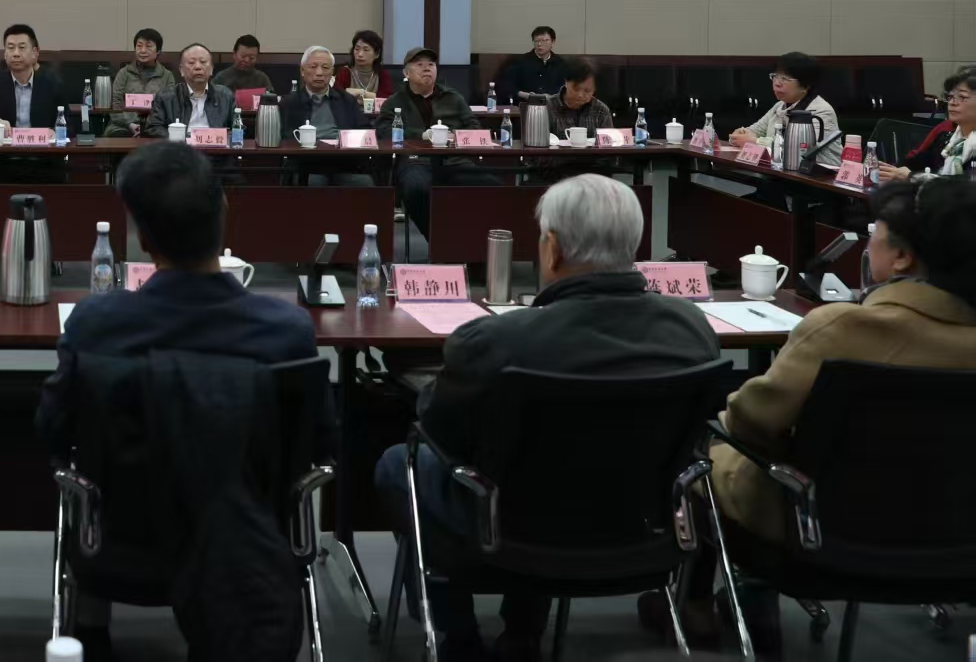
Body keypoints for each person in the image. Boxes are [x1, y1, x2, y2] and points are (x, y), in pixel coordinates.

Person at [375, 174, 719, 660]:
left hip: (510, 533)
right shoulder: (693, 330)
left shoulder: (498, 340)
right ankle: (522, 629)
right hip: (640, 528)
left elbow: (440, 432)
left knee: (401, 463)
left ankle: (458, 636)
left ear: (552, 249)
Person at [39, 141, 334, 658]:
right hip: (247, 544)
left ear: (140, 236)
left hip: (120, 539)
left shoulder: (97, 325)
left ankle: (90, 627)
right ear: (224, 215)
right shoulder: (286, 330)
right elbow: (320, 442)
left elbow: (52, 429)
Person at [701, 179, 976, 650]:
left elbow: (750, 422)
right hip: (958, 540)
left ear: (902, 257)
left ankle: (708, 608)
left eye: (875, 231)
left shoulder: (842, 328)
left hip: (818, 539)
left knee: (708, 456)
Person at [375, 47, 495, 239]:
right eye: (419, 65)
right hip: (415, 161)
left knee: (492, 186)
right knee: (416, 188)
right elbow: (383, 132)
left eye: (431, 64)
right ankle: (439, 239)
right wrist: (422, 135)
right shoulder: (394, 102)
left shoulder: (453, 98)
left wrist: (454, 136)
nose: (426, 68)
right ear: (406, 73)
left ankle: (478, 240)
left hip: (454, 160)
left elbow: (474, 126)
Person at [279, 46, 375, 187]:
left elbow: (365, 132)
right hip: (307, 166)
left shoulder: (346, 100)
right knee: (314, 183)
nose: (319, 73)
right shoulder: (289, 103)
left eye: (325, 68)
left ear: (332, 73)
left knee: (366, 183)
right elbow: (284, 138)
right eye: (313, 67)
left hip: (343, 164)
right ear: (302, 71)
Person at [727, 51, 841, 169]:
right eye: (775, 76)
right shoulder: (780, 106)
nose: (777, 83)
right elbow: (752, 131)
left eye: (785, 79)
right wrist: (739, 136)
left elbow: (802, 151)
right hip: (780, 171)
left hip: (818, 176)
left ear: (805, 85)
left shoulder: (821, 111)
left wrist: (755, 142)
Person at [879, 67, 976, 180]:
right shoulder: (946, 138)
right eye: (950, 97)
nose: (952, 103)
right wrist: (889, 171)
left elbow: (965, 186)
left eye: (962, 97)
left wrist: (912, 177)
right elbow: (913, 165)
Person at [0, 24, 66, 134]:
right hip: (5, 144)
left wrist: (55, 132)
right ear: (5, 54)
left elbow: (69, 123)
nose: (16, 54)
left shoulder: (52, 84)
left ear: (35, 52)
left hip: (41, 144)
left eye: (22, 47)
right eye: (10, 48)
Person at [144, 42, 236, 137]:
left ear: (211, 69)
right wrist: (180, 137)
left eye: (203, 62)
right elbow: (153, 128)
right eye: (191, 63)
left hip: (215, 145)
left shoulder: (225, 95)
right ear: (181, 70)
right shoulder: (165, 97)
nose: (198, 67)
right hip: (179, 145)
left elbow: (237, 128)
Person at [105, 27, 176, 137]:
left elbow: (168, 106)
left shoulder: (167, 76)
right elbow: (115, 104)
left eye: (148, 46)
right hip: (122, 125)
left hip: (155, 126)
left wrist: (149, 124)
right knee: (117, 134)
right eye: (139, 46)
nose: (143, 50)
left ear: (158, 51)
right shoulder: (124, 73)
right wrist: (129, 124)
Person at [495, 26, 567, 103]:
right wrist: (525, 95)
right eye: (536, 41)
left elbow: (565, 88)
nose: (539, 44)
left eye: (544, 40)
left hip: (553, 105)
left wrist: (553, 97)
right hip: (525, 104)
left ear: (553, 42)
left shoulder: (561, 63)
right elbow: (505, 85)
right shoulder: (519, 61)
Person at [545, 56, 612, 136]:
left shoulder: (601, 111)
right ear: (566, 81)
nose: (580, 95)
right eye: (576, 89)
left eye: (587, 91)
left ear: (594, 90)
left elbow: (608, 142)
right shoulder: (547, 108)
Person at [333, 29, 385, 98]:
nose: (360, 54)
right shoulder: (345, 72)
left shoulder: (382, 74)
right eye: (357, 49)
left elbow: (386, 99)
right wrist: (372, 96)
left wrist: (361, 93)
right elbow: (336, 97)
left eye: (366, 50)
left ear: (377, 54)